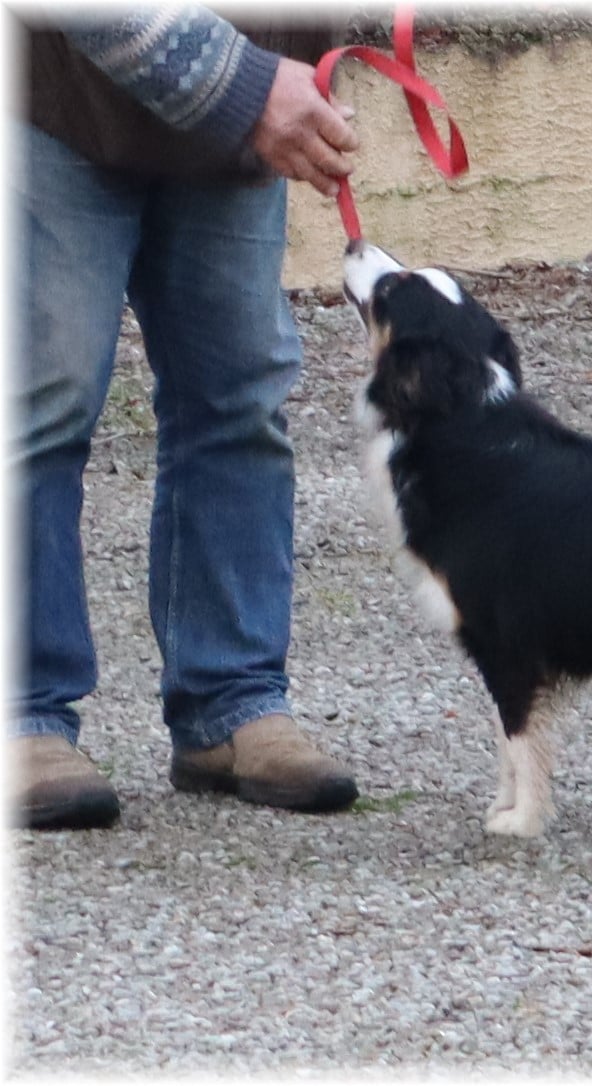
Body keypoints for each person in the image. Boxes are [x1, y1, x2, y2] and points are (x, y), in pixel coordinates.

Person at [13, 9, 363, 829]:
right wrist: (244, 88)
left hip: (236, 111)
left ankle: (231, 704)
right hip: (55, 98)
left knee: (239, 397)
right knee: (39, 404)